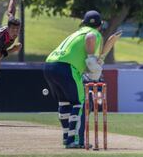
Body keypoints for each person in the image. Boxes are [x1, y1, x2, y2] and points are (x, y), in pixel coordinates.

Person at [44, 10, 104, 148]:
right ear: (100, 25)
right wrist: (95, 66)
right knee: (79, 102)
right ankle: (74, 140)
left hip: (49, 65)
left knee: (64, 103)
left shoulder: (77, 33)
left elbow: (85, 61)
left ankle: (67, 137)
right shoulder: (94, 33)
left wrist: (92, 65)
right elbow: (90, 38)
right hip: (67, 67)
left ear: (83, 22)